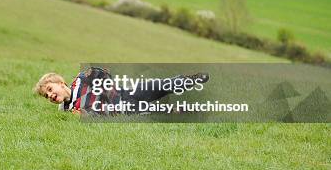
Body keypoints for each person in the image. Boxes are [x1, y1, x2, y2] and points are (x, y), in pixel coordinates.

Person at [33, 67, 209, 115]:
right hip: (125, 111)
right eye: (46, 96)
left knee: (159, 85)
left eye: (49, 89)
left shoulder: (81, 78)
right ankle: (192, 110)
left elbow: (103, 73)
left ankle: (191, 80)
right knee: (161, 112)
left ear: (60, 82)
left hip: (127, 94)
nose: (50, 96)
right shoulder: (66, 110)